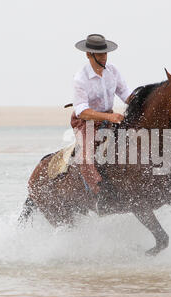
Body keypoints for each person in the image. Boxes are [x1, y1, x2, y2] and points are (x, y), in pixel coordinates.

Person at [71, 34, 132, 199]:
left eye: (104, 54)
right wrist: (109, 118)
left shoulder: (113, 71)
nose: (103, 58)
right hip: (85, 122)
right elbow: (82, 111)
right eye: (99, 55)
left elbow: (125, 93)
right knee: (84, 157)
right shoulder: (80, 79)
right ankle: (98, 193)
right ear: (88, 55)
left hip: (109, 118)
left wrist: (142, 101)